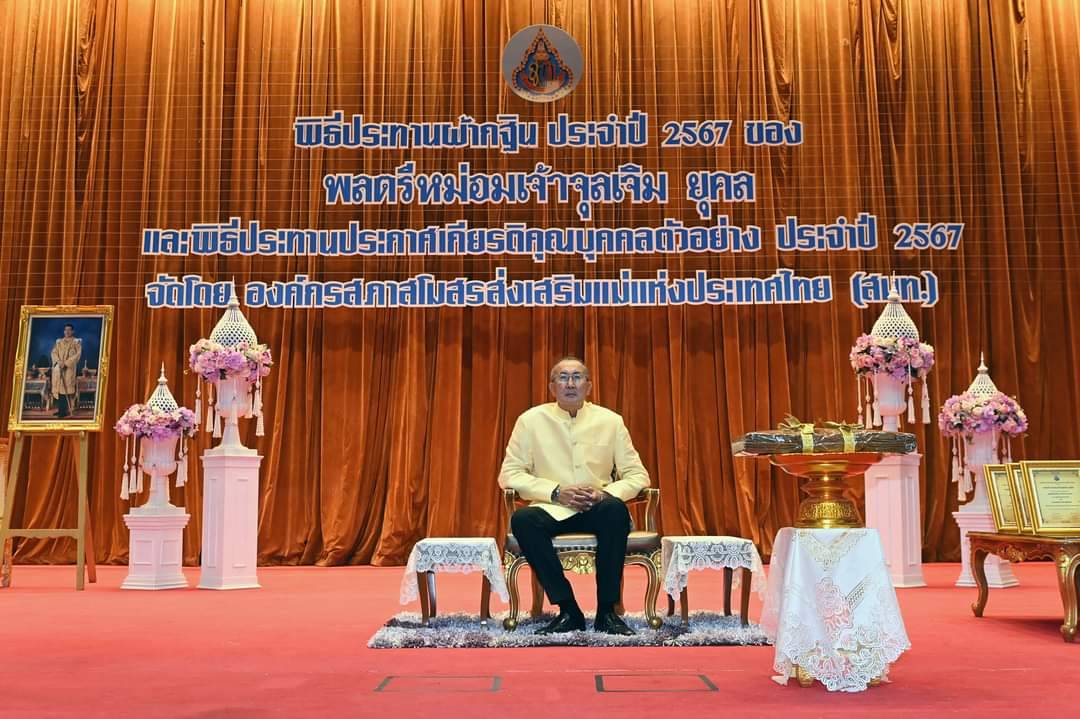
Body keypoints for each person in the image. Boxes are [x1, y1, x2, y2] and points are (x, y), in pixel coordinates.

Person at [498, 356, 650, 636]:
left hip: (597, 509)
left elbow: (638, 475)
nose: (570, 383)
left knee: (615, 510)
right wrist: (556, 492)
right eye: (563, 377)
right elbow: (509, 475)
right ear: (552, 387)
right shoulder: (530, 421)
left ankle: (607, 613)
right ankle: (568, 610)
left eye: (577, 377)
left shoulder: (610, 421)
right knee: (523, 520)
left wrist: (604, 493)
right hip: (552, 508)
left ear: (588, 386)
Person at [50, 323, 82, 418]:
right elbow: (54, 352)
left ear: (72, 331)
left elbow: (77, 355)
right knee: (59, 389)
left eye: (69, 330)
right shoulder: (59, 342)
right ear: (64, 331)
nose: (67, 332)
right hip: (59, 368)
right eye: (66, 330)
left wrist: (66, 363)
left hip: (69, 369)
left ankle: (65, 411)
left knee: (66, 389)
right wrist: (59, 361)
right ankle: (60, 410)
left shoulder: (76, 342)